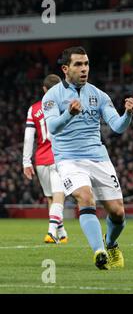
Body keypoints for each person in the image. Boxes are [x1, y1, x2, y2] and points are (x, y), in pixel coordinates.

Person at [42, 46, 133, 270]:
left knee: (117, 212)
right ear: (66, 69)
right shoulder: (52, 96)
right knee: (85, 197)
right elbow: (53, 127)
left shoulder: (98, 95)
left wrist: (128, 115)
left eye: (86, 64)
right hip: (68, 159)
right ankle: (99, 251)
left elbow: (117, 126)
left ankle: (110, 243)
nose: (84, 69)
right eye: (78, 64)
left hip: (98, 158)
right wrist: (69, 114)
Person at [22, 74, 68, 244]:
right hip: (59, 157)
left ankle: (61, 233)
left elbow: (28, 138)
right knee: (59, 195)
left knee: (51, 197)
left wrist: (26, 162)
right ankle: (51, 231)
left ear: (44, 89)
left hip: (40, 159)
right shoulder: (65, 106)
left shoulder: (33, 109)